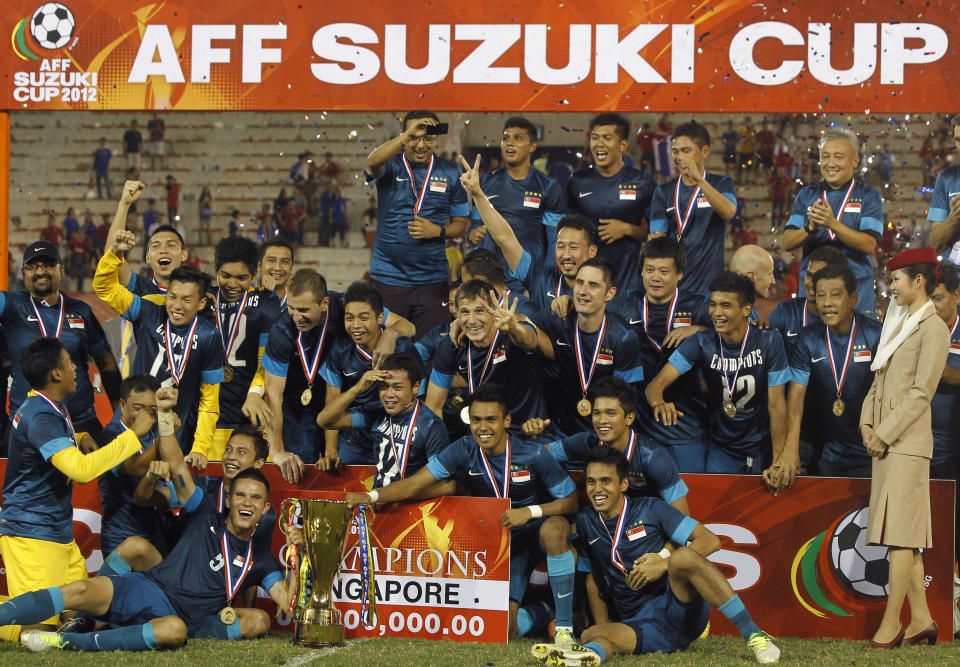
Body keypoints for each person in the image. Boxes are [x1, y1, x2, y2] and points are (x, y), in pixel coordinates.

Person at [6, 389, 299, 652]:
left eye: (255, 499)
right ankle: (70, 620)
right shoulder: (203, 504)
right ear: (230, 498)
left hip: (183, 616)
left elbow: (288, 601)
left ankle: (63, 641)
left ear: (264, 508)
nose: (246, 502)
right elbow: (174, 463)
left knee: (177, 629)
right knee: (80, 590)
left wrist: (300, 559)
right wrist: (165, 415)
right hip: (154, 581)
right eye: (241, 496)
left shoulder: (260, 558)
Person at [345, 383, 580, 646]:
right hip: (500, 543)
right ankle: (546, 610)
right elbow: (414, 483)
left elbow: (570, 501)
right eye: (476, 420)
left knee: (555, 530)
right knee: (504, 631)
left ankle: (564, 626)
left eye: (491, 420)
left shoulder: (533, 453)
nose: (483, 427)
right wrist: (373, 496)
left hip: (534, 531)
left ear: (507, 421)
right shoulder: (463, 449)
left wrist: (530, 511)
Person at [535, 446, 781, 665]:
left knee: (684, 557)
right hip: (642, 624)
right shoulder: (587, 521)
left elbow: (710, 540)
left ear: (623, 484)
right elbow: (593, 579)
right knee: (591, 635)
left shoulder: (651, 509)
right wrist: (602, 625)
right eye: (591, 482)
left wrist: (663, 564)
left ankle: (755, 635)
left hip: (677, 606)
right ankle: (587, 657)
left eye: (606, 481)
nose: (597, 489)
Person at [0, 338, 153, 645]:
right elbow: (81, 471)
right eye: (70, 362)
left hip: (58, 534)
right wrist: (134, 435)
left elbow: (50, 446)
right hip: (32, 536)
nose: (75, 369)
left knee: (76, 620)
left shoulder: (48, 406)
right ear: (56, 374)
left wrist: (80, 436)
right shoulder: (40, 416)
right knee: (38, 634)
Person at [860, 246, 949, 648]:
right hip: (886, 443)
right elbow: (878, 379)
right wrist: (866, 422)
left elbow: (922, 393)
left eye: (895, 279)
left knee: (899, 536)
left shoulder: (935, 328)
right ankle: (923, 621)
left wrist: (885, 432)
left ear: (918, 281)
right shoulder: (898, 321)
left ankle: (891, 624)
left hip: (906, 444)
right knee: (904, 536)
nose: (889, 286)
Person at [93, 230, 223, 464]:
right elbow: (103, 288)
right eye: (172, 297)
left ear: (202, 302)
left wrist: (200, 448)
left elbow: (209, 401)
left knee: (165, 494)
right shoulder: (147, 311)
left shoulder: (209, 335)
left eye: (186, 300)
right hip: (130, 423)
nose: (176, 306)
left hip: (173, 431)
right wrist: (113, 253)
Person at [645, 272, 791, 478]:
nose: (716, 312)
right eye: (713, 304)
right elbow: (655, 385)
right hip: (721, 449)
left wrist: (778, 459)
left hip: (761, 447)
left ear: (746, 309)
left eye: (726, 305)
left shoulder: (769, 341)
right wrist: (658, 402)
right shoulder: (701, 342)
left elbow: (777, 405)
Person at [0, 242, 121, 443]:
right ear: (23, 273)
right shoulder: (11, 305)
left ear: (61, 270)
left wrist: (119, 417)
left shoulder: (81, 311)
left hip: (81, 422)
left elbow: (107, 364)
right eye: (32, 266)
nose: (40, 271)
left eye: (47, 265)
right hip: (27, 425)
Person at [365, 110, 469, 336]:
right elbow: (371, 162)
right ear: (404, 136)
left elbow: (461, 224)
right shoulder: (390, 165)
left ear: (436, 139)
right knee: (389, 349)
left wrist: (438, 231)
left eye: (428, 138)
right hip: (388, 277)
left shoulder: (451, 172)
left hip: (431, 279)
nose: (421, 145)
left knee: (430, 351)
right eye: (414, 138)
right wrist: (405, 137)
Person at [460, 150, 598, 311]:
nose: (566, 254)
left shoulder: (603, 288)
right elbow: (505, 238)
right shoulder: (538, 278)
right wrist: (478, 194)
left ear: (591, 251)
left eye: (573, 247)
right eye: (561, 246)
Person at [783, 265, 881, 486]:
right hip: (830, 454)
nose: (827, 303)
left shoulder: (876, 335)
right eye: (821, 295)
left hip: (872, 453)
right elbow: (796, 395)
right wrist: (790, 448)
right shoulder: (807, 339)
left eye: (836, 295)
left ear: (854, 298)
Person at [618, 237, 710, 471]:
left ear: (679, 274)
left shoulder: (698, 306)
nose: (655, 277)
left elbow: (733, 331)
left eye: (663, 271)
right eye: (649, 270)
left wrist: (699, 329)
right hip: (639, 424)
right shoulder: (625, 304)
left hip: (684, 423)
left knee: (691, 497)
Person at [535, 259, 645, 437]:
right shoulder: (559, 318)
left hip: (603, 434)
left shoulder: (623, 337)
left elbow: (625, 402)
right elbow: (527, 329)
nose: (583, 291)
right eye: (579, 283)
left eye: (593, 285)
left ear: (609, 293)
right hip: (560, 431)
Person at [425, 279, 549, 435]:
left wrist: (514, 329)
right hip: (482, 434)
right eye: (464, 312)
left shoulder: (512, 331)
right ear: (456, 313)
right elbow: (433, 408)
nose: (472, 320)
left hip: (527, 432)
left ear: (493, 311)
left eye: (479, 310)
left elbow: (529, 340)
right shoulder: (451, 344)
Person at [782, 128, 883, 316]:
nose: (830, 164)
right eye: (825, 156)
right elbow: (787, 242)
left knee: (855, 345)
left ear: (855, 160)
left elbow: (869, 244)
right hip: (814, 295)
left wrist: (832, 223)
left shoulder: (869, 196)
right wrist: (809, 228)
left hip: (856, 293)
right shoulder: (806, 195)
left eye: (838, 157)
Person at [318, 281, 417, 466]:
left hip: (397, 438)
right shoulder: (339, 350)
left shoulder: (404, 349)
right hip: (355, 441)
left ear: (380, 317)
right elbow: (331, 407)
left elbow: (421, 402)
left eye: (363, 318)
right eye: (349, 318)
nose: (355, 325)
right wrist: (330, 452)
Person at [317, 353, 450, 488]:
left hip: (412, 503)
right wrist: (357, 388)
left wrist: (386, 497)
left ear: (415, 387)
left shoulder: (431, 425)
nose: (389, 394)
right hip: (378, 500)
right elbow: (324, 421)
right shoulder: (377, 412)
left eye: (397, 387)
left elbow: (442, 483)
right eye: (384, 387)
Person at [209, 237, 283, 460]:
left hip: (250, 414)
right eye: (226, 276)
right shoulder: (201, 299)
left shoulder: (265, 303)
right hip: (206, 417)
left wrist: (255, 393)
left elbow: (267, 360)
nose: (233, 284)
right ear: (215, 271)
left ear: (255, 272)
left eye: (242, 277)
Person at [568, 113, 655, 297]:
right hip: (588, 283)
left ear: (623, 145)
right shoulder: (577, 182)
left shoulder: (642, 182)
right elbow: (564, 232)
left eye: (607, 138)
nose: (599, 144)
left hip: (629, 282)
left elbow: (658, 235)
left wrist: (628, 229)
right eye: (595, 137)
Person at [648, 121, 738, 299]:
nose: (679, 157)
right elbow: (657, 242)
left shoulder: (722, 183)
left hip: (711, 289)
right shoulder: (663, 191)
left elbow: (728, 212)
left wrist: (700, 181)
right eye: (675, 151)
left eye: (686, 150)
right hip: (676, 288)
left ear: (704, 151)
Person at [468, 117, 566, 271]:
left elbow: (553, 239)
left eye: (518, 138)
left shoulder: (549, 187)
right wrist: (472, 235)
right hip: (490, 274)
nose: (509, 142)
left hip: (529, 275)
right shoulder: (484, 183)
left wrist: (546, 280)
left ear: (532, 146)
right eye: (505, 138)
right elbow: (475, 228)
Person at [97, 374, 165, 558]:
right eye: (137, 408)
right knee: (119, 587)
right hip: (121, 537)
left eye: (152, 409)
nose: (145, 415)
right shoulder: (110, 437)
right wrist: (166, 438)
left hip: (156, 533)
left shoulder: (154, 432)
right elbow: (136, 468)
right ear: (122, 405)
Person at [928, 264, 960, 569]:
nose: (932, 306)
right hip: (923, 452)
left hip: (954, 455)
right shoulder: (918, 327)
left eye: (938, 298)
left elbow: (951, 376)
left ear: (957, 295)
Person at [105, 181, 187, 296]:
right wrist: (124, 204)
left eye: (171, 245)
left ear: (184, 254)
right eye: (156, 246)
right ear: (147, 257)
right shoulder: (141, 291)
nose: (163, 250)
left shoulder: (199, 294)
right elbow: (110, 256)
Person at [768, 246, 849, 350]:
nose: (811, 284)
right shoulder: (786, 312)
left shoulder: (849, 322)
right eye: (809, 275)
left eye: (819, 277)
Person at [927, 116, 960, 270]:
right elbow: (934, 241)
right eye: (958, 140)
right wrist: (955, 216)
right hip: (954, 278)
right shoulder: (946, 177)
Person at [256, 238, 294, 308]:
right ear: (259, 266)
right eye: (271, 260)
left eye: (284, 262)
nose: (278, 268)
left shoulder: (298, 303)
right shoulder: (244, 299)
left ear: (291, 267)